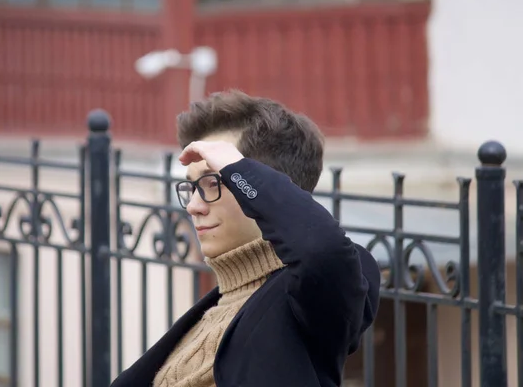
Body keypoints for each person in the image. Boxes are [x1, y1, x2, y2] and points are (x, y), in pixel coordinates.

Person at [110, 90, 381, 387]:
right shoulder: (215, 309)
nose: (193, 206)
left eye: (212, 182)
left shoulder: (310, 293)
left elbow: (322, 251)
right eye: (192, 187)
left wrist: (236, 169)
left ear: (263, 187)